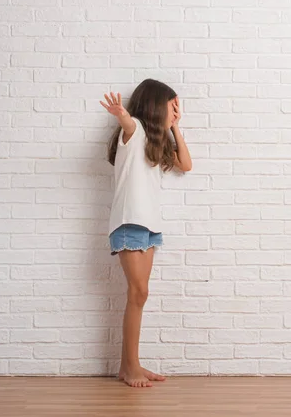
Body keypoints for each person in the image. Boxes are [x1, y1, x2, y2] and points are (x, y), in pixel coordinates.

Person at [101, 79, 192, 388]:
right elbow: (128, 123)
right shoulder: (136, 129)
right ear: (155, 106)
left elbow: (186, 165)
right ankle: (130, 367)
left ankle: (130, 366)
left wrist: (175, 126)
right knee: (138, 294)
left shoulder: (156, 139)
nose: (175, 111)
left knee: (138, 296)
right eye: (172, 106)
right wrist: (121, 114)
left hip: (148, 226)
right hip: (130, 223)